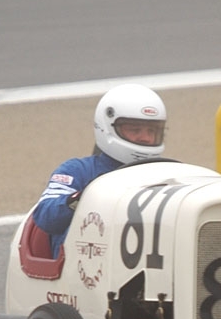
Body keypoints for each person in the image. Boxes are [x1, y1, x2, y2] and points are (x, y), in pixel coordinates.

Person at [31, 83, 167, 258]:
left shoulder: (166, 173)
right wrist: (83, 197)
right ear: (108, 128)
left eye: (152, 131)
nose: (146, 138)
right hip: (82, 273)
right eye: (135, 130)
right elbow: (45, 217)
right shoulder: (77, 171)